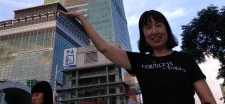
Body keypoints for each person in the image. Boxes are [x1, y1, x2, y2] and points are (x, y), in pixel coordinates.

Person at [59, 9, 217, 104]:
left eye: (158, 25)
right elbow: (104, 48)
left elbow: (208, 99)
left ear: (167, 29)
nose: (154, 31)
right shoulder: (139, 61)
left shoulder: (185, 59)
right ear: (143, 35)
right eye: (148, 28)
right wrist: (81, 18)